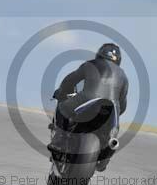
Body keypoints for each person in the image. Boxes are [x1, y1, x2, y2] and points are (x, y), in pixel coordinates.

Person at [49, 43, 129, 171]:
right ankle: (105, 156)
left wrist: (62, 92)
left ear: (99, 54)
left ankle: (59, 139)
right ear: (118, 60)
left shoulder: (90, 64)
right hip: (111, 111)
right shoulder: (123, 76)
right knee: (111, 137)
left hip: (87, 101)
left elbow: (70, 80)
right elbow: (123, 105)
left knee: (62, 107)